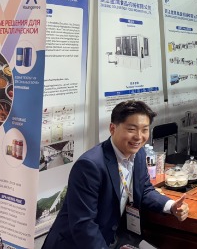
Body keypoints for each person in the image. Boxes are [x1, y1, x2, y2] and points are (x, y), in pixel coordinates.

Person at [42, 101, 189, 249]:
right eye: (131, 129)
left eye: (145, 129)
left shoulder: (138, 154)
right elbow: (84, 224)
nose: (139, 136)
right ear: (112, 128)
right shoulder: (90, 165)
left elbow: (144, 189)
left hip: (111, 237)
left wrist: (171, 206)